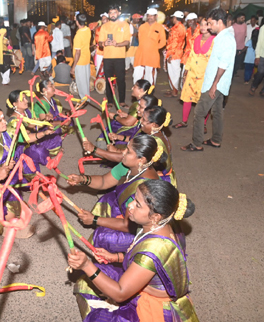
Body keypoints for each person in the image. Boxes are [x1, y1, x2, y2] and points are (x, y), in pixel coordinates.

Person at [67, 180, 198, 322]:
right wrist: (116, 257)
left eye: (137, 204)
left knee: (91, 300)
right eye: (134, 199)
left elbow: (120, 293)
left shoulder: (154, 249)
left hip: (152, 307)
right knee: (88, 280)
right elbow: (146, 263)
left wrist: (86, 265)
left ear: (155, 217)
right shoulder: (161, 224)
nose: (130, 205)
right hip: (142, 283)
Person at [67, 135, 165, 253]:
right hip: (129, 213)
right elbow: (104, 181)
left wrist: (94, 220)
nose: (123, 152)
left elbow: (128, 225)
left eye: (128, 151)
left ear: (141, 160)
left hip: (138, 229)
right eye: (126, 148)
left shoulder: (145, 188)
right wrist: (81, 179)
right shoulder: (131, 166)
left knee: (102, 236)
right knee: (107, 199)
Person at [181, 7, 236, 152]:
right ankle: (216, 140)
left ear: (219, 22)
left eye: (211, 23)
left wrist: (214, 84)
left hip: (216, 83)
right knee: (217, 112)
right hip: (216, 83)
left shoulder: (226, 38)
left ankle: (196, 143)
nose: (208, 26)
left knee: (199, 112)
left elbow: (224, 64)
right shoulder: (222, 37)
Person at [173, 17, 214, 130]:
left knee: (204, 101)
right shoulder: (196, 39)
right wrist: (186, 72)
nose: (204, 27)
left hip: (205, 76)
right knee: (187, 98)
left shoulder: (215, 41)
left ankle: (203, 124)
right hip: (192, 73)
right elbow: (191, 56)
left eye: (207, 25)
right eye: (202, 25)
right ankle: (184, 121)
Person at [96, 79, 155, 148]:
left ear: (141, 90)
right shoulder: (146, 101)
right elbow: (138, 118)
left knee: (114, 124)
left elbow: (128, 122)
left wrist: (115, 116)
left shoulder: (138, 104)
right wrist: (127, 115)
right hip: (136, 128)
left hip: (133, 131)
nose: (132, 88)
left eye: (135, 87)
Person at [99, 5, 131, 108]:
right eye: (111, 13)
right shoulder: (104, 26)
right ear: (108, 14)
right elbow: (99, 43)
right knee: (108, 80)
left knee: (121, 79)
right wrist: (104, 43)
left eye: (115, 12)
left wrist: (117, 44)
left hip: (120, 57)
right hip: (107, 57)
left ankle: (122, 101)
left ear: (118, 13)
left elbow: (127, 41)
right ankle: (110, 101)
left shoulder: (125, 25)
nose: (113, 15)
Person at [133, 8, 166, 86]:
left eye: (152, 16)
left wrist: (154, 48)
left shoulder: (160, 27)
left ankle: (149, 94)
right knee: (137, 75)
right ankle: (138, 93)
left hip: (152, 56)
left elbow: (163, 42)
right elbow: (140, 40)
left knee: (150, 77)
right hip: (140, 55)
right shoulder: (142, 27)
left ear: (156, 16)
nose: (150, 17)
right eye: (148, 15)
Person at [165, 11, 186, 97]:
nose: (172, 19)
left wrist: (170, 55)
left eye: (173, 17)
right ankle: (173, 89)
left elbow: (175, 42)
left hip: (174, 54)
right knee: (173, 72)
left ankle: (174, 91)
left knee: (174, 73)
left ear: (175, 18)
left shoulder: (178, 28)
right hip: (176, 53)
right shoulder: (179, 27)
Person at [71, 14, 92, 100]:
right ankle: (88, 98)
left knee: (81, 82)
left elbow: (77, 53)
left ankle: (84, 99)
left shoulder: (78, 35)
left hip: (80, 61)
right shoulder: (88, 30)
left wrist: (73, 66)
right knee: (86, 81)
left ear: (77, 22)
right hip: (87, 59)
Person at [181, 13, 200, 84]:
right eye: (188, 21)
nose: (190, 23)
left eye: (191, 21)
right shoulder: (188, 30)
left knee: (194, 76)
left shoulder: (201, 30)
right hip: (187, 57)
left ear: (196, 20)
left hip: (197, 57)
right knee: (184, 75)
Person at [249, 26, 264, 96]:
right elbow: (259, 42)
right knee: (260, 73)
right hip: (262, 55)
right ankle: (254, 86)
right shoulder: (263, 28)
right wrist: (257, 56)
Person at [94, 13, 109, 78]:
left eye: (105, 19)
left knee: (109, 70)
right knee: (99, 69)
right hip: (100, 52)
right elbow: (98, 40)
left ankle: (111, 84)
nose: (103, 21)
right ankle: (99, 84)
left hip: (110, 52)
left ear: (108, 20)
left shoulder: (112, 28)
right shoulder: (98, 29)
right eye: (102, 19)